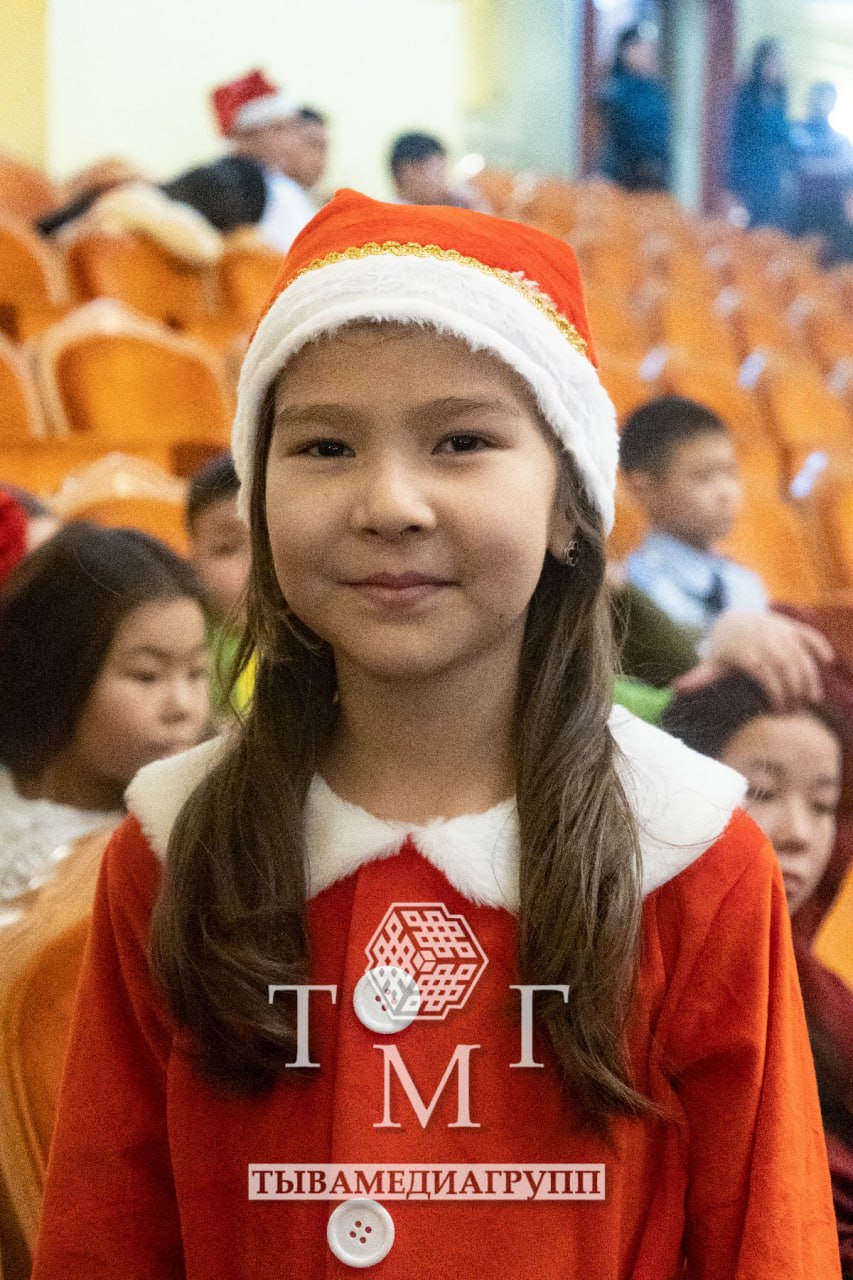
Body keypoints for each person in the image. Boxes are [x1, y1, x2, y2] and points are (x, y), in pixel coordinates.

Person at [32, 190, 840, 1278]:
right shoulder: (176, 848)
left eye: (461, 441)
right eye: (323, 445)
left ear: (569, 505)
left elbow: (767, 1243)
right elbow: (105, 1233)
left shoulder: (689, 854)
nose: (390, 502)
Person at [662, 673, 853, 1274]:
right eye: (762, 792)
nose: (799, 834)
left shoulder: (830, 997)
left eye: (823, 805)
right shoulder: (637, 985)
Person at [0, 523, 210, 903]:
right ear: (54, 674)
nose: (183, 706)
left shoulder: (196, 841)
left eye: (196, 672)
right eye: (147, 676)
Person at [620, 395, 768, 637]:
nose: (726, 493)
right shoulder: (634, 589)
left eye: (731, 473)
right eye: (703, 477)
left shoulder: (745, 584)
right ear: (645, 490)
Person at [163, 70, 328, 252]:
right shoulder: (237, 180)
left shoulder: (276, 183)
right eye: (279, 130)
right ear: (247, 135)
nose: (291, 142)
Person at [185, 452, 253, 716]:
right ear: (192, 562)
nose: (256, 566)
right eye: (228, 548)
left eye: (270, 543)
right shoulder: (186, 645)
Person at [726, 38, 794, 229]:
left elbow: (783, 139)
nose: (778, 68)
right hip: (746, 180)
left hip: (771, 180)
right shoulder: (745, 97)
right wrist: (732, 185)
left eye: (781, 63)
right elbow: (735, 141)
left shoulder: (779, 99)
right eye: (773, 61)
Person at [596, 23, 671, 192]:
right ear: (625, 50)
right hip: (623, 178)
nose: (646, 52)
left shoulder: (656, 88)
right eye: (640, 46)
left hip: (656, 177)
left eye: (649, 48)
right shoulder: (615, 90)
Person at [791, 81, 853, 264]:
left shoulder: (840, 140)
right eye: (821, 98)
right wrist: (831, 165)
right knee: (802, 259)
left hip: (833, 210)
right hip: (803, 208)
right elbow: (800, 164)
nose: (824, 104)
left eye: (829, 99)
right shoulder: (797, 131)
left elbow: (847, 167)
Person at [388, 131, 486, 209]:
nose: (445, 183)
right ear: (409, 171)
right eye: (439, 173)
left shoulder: (457, 202)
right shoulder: (397, 218)